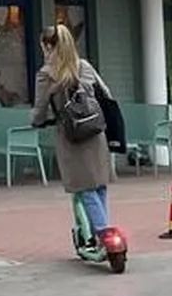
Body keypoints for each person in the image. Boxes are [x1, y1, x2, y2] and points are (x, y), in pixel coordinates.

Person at [33, 20, 121, 253]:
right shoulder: (84, 66)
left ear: (47, 46)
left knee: (84, 187)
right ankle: (104, 235)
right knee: (99, 185)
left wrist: (37, 121)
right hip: (96, 132)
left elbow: (40, 109)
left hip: (71, 136)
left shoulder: (46, 74)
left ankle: (103, 232)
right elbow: (106, 94)